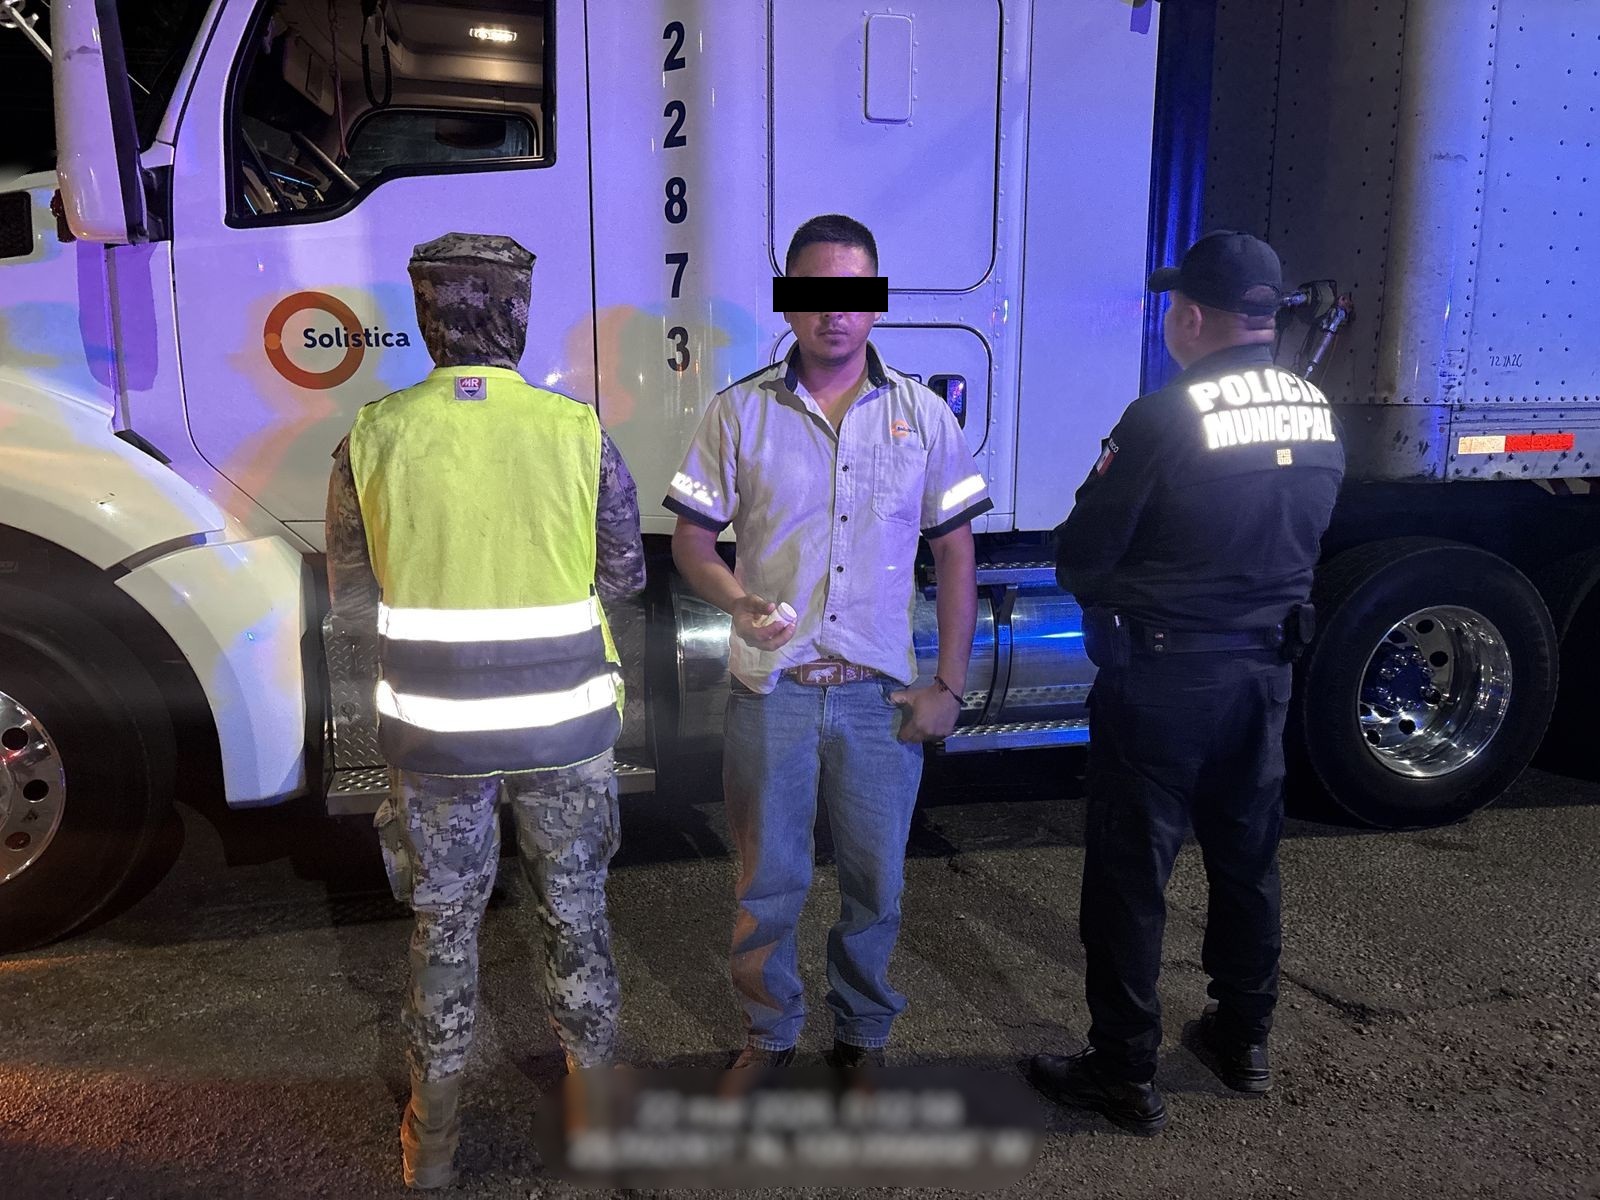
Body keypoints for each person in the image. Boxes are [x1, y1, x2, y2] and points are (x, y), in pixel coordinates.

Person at [325, 232, 645, 1189]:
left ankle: (433, 1148)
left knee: (444, 927)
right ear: (517, 313)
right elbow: (623, 575)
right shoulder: (578, 431)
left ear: (427, 317)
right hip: (565, 731)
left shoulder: (372, 436)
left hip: (433, 737)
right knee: (576, 918)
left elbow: (351, 601)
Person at [1029, 231, 1345, 1134]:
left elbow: (1085, 555)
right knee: (1247, 860)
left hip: (1166, 678)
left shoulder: (1164, 417)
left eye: (1175, 306)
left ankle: (1123, 1070)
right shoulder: (1315, 408)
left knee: (1131, 876)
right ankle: (1243, 1039)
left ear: (1195, 318)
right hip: (1264, 674)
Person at [666, 214, 991, 1070]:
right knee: (767, 883)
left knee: (875, 884)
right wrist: (739, 602)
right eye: (813, 293)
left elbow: (956, 553)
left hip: (878, 700)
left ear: (877, 304)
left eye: (851, 294)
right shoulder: (740, 412)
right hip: (772, 690)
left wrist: (949, 687)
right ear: (789, 303)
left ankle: (862, 1038)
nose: (833, 312)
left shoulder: (923, 417)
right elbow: (692, 541)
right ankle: (768, 1036)